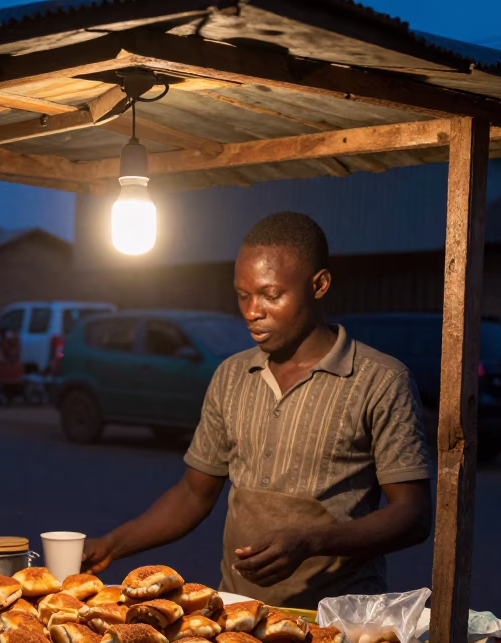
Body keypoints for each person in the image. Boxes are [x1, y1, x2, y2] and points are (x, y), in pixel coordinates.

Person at [82, 212, 433, 608]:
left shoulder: (380, 380)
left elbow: (413, 515)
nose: (251, 311)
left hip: (339, 617)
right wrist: (111, 545)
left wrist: (312, 541)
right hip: (238, 611)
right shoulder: (232, 375)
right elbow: (192, 495)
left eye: (271, 295)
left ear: (319, 285)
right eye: (242, 294)